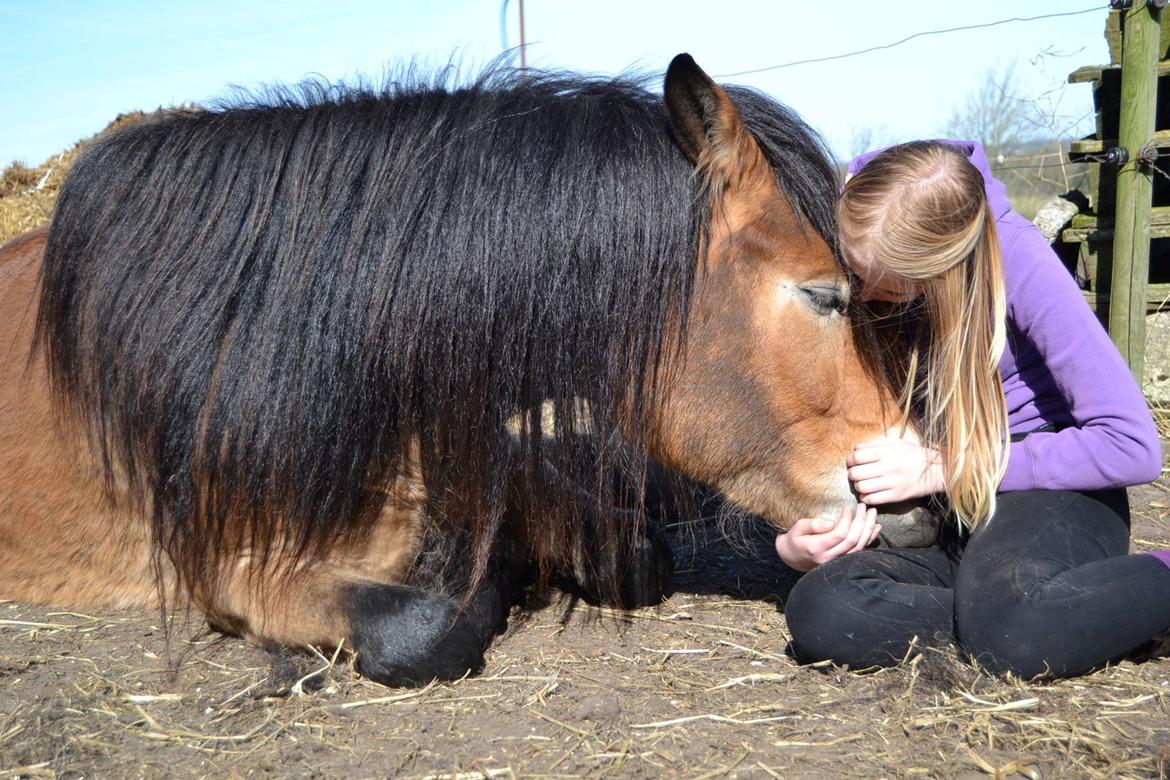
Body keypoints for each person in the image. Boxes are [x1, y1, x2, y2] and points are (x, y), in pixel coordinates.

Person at [777, 140, 1170, 678]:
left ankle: (1037, 616)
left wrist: (947, 465)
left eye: (886, 284)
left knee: (1012, 632)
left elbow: (1133, 447)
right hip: (954, 515)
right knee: (824, 609)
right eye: (855, 269)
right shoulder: (865, 252)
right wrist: (800, 539)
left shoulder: (1020, 261)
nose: (863, 294)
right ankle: (1059, 616)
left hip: (1050, 488)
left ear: (940, 267)